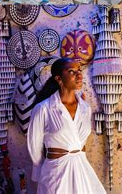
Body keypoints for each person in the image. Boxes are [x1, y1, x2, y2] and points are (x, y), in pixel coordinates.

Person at [27, 58, 106, 194]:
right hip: (55, 172)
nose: (79, 75)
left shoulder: (85, 108)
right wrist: (47, 171)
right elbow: (34, 149)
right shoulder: (43, 108)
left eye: (79, 71)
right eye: (71, 71)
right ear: (59, 78)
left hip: (82, 169)